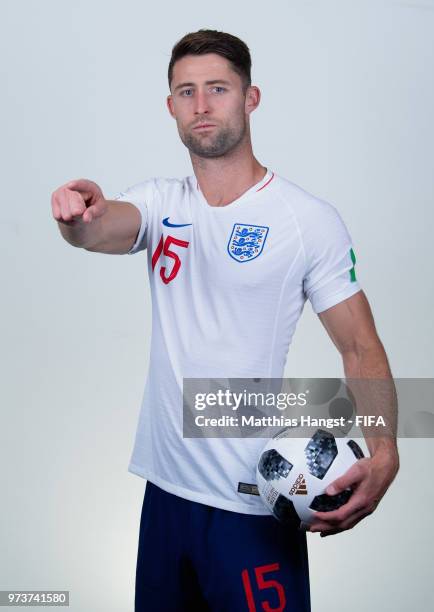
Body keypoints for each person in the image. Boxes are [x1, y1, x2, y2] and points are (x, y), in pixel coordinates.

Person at [51, 29, 400, 612]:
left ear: (250, 98)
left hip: (257, 502)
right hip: (164, 498)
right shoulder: (163, 203)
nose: (202, 105)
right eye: (186, 92)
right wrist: (76, 215)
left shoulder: (307, 220)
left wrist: (384, 451)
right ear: (171, 108)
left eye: (218, 88)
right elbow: (101, 227)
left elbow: (360, 347)